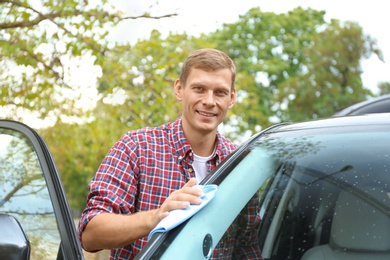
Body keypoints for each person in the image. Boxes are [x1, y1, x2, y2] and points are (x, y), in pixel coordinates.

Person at [78, 48, 261, 259]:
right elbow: (90, 234)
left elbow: (247, 247)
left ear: (232, 97)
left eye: (219, 92)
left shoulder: (241, 164)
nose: (209, 101)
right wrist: (157, 217)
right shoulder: (136, 147)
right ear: (179, 89)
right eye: (199, 89)